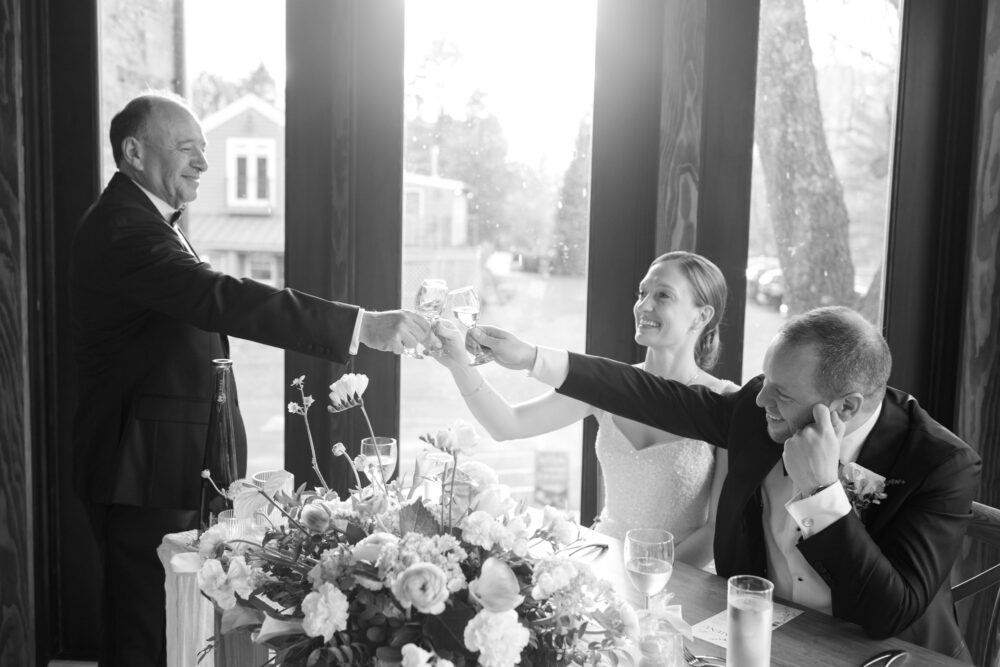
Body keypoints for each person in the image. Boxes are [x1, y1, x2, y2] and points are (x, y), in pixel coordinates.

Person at [69, 91, 432, 667]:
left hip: (164, 464)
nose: (203, 164)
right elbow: (222, 299)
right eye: (186, 148)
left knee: (168, 620)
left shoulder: (149, 220)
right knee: (142, 628)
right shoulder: (124, 228)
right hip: (138, 470)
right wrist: (361, 325)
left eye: (204, 150)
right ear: (134, 151)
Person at [469, 306, 980, 660]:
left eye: (781, 393)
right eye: (766, 382)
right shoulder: (761, 405)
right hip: (762, 640)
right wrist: (532, 358)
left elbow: (888, 611)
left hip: (886, 656)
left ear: (845, 407)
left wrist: (824, 492)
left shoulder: (940, 465)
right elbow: (654, 397)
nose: (759, 403)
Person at [432, 252, 737, 568]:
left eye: (663, 295)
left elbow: (716, 530)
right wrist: (458, 364)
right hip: (603, 565)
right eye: (642, 293)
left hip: (679, 579)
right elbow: (508, 425)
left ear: (702, 315)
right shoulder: (608, 386)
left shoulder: (726, 403)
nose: (643, 306)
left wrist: (651, 576)